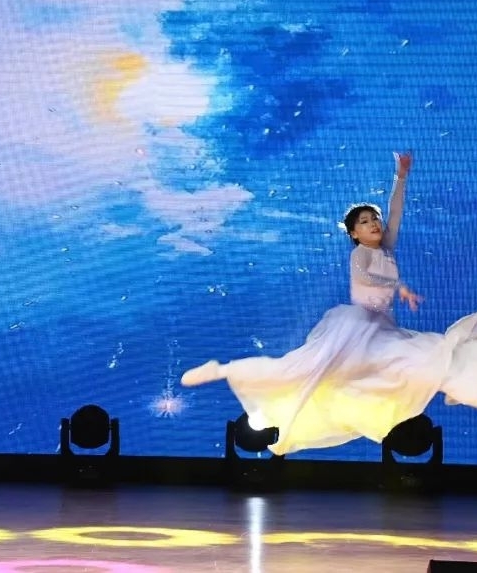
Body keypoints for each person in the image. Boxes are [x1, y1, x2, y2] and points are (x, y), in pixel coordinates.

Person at [179, 153, 477, 455]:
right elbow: (366, 276)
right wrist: (398, 286)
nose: (374, 223)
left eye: (375, 219)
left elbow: (396, 211)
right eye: (364, 221)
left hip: (383, 329)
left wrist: (401, 176)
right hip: (357, 326)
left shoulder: (385, 248)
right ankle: (223, 371)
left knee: (416, 364)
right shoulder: (360, 253)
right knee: (299, 371)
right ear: (354, 233)